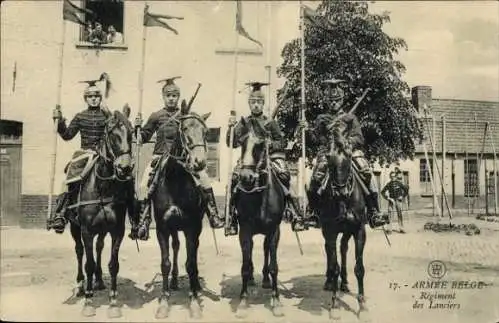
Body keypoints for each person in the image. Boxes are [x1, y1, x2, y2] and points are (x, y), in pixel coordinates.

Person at [132, 76, 224, 240]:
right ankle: (143, 221)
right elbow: (143, 138)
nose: (171, 99)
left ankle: (213, 215)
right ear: (163, 97)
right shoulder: (156, 116)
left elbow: (195, 128)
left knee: (203, 177)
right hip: (159, 156)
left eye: (174, 95)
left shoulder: (185, 115)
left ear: (178, 97)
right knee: (144, 181)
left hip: (183, 158)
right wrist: (138, 127)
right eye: (168, 96)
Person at [300, 78, 389, 229]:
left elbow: (359, 138)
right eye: (331, 100)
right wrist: (307, 130)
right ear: (327, 101)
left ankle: (374, 211)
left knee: (366, 171)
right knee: (316, 176)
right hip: (328, 152)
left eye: (337, 100)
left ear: (341, 100)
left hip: (349, 152)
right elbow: (315, 139)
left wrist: (347, 142)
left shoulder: (350, 118)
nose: (334, 103)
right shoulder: (322, 119)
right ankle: (312, 212)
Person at [225, 82, 306, 236]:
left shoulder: (270, 123)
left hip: (270, 158)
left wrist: (270, 143)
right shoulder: (244, 123)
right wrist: (230, 128)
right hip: (248, 161)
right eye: (253, 102)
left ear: (263, 104)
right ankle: (231, 217)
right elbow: (232, 142)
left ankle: (295, 213)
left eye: (259, 102)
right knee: (233, 180)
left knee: (284, 174)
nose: (256, 105)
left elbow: (281, 142)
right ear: (249, 104)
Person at [47, 79, 114, 233]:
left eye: (97, 96)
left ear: (100, 98)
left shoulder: (107, 117)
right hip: (85, 154)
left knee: (122, 175)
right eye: (90, 96)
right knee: (69, 179)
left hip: (104, 155)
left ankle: (132, 214)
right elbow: (67, 135)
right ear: (85, 99)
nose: (94, 99)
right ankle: (61, 213)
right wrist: (59, 121)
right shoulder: (80, 116)